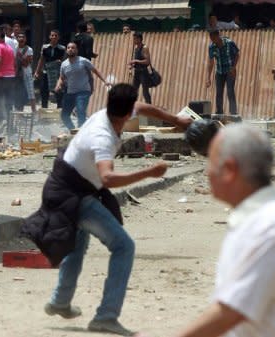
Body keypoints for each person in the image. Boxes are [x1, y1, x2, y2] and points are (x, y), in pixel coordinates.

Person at [21, 83, 192, 336]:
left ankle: (60, 301)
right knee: (123, 246)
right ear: (124, 115)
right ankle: (106, 316)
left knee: (76, 245)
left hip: (68, 187)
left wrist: (175, 118)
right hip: (72, 196)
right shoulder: (102, 136)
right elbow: (109, 178)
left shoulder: (113, 113)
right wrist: (149, 172)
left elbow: (142, 107)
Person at [137, 123, 275, 337]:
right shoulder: (255, 219)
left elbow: (231, 312)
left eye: (211, 162)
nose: (207, 172)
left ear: (229, 170)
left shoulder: (270, 225)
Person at [56, 42, 109, 130]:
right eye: (68, 48)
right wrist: (58, 85)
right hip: (70, 92)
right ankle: (73, 131)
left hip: (83, 91)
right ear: (66, 50)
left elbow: (95, 71)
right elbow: (61, 78)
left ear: (76, 50)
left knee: (80, 111)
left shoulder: (83, 61)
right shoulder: (64, 64)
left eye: (73, 48)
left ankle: (81, 131)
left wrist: (105, 81)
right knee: (64, 115)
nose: (70, 49)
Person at [206, 29, 239, 116]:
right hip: (219, 71)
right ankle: (219, 112)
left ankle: (233, 112)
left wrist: (234, 67)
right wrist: (208, 78)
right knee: (219, 92)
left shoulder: (229, 43)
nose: (212, 40)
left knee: (230, 91)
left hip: (230, 71)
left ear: (218, 36)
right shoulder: (211, 47)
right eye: (210, 38)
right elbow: (211, 62)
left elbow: (237, 54)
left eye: (213, 37)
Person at [0, 30, 16, 134]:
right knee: (8, 102)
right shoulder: (9, 48)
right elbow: (8, 61)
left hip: (2, 77)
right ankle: (10, 126)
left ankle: (2, 120)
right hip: (11, 76)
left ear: (2, 38)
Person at [34, 30, 66, 109]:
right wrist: (37, 72)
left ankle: (59, 110)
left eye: (56, 35)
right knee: (44, 90)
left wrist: (60, 62)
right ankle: (44, 109)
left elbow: (65, 61)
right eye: (52, 35)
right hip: (46, 72)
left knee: (58, 91)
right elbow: (41, 60)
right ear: (49, 37)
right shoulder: (45, 47)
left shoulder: (62, 48)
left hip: (57, 73)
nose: (54, 37)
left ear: (58, 37)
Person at [15, 32, 37, 117]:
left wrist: (19, 57)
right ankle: (19, 113)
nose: (21, 39)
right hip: (17, 74)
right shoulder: (14, 48)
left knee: (31, 92)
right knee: (19, 93)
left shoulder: (29, 49)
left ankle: (34, 112)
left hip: (27, 73)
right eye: (19, 37)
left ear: (25, 39)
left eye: (23, 37)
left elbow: (26, 63)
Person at [130, 32, 152, 104]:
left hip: (143, 72)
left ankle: (149, 107)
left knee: (145, 91)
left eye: (135, 39)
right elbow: (137, 61)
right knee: (134, 90)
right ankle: (132, 106)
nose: (133, 40)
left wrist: (136, 61)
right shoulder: (136, 48)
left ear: (139, 39)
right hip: (137, 72)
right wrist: (133, 65)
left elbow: (147, 61)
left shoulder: (144, 48)